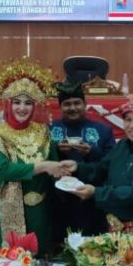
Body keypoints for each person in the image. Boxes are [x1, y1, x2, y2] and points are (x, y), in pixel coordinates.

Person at [0, 57, 69, 256]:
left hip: (39, 214)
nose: (22, 108)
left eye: (28, 103)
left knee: (36, 261)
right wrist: (43, 166)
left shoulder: (43, 131)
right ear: (7, 104)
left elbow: (54, 165)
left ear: (34, 106)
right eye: (17, 102)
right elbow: (2, 171)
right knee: (3, 263)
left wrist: (64, 172)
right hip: (2, 214)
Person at [62, 83, 133, 233]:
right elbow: (101, 168)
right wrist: (77, 167)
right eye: (128, 119)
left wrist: (96, 192)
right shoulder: (123, 144)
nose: (132, 126)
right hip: (117, 223)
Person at [49, 81, 114, 242]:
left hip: (90, 200)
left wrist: (91, 152)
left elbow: (112, 163)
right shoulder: (48, 130)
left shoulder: (103, 130)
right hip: (57, 200)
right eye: (67, 104)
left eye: (77, 103)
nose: (72, 108)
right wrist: (56, 149)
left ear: (85, 105)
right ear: (60, 107)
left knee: (91, 246)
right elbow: (40, 159)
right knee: (59, 245)